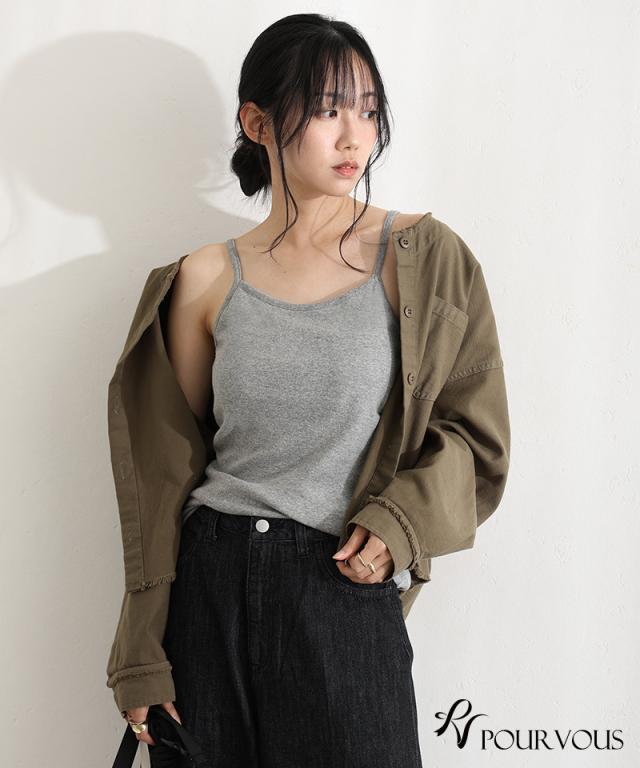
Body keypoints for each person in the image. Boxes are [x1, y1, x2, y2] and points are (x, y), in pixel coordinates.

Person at [112, 12, 510, 768]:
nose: (355, 136)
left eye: (368, 109)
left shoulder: (424, 259)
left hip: (340, 585)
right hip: (208, 594)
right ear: (258, 123)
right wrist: (140, 650)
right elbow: (162, 482)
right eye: (327, 110)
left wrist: (399, 526)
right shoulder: (202, 277)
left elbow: (474, 438)